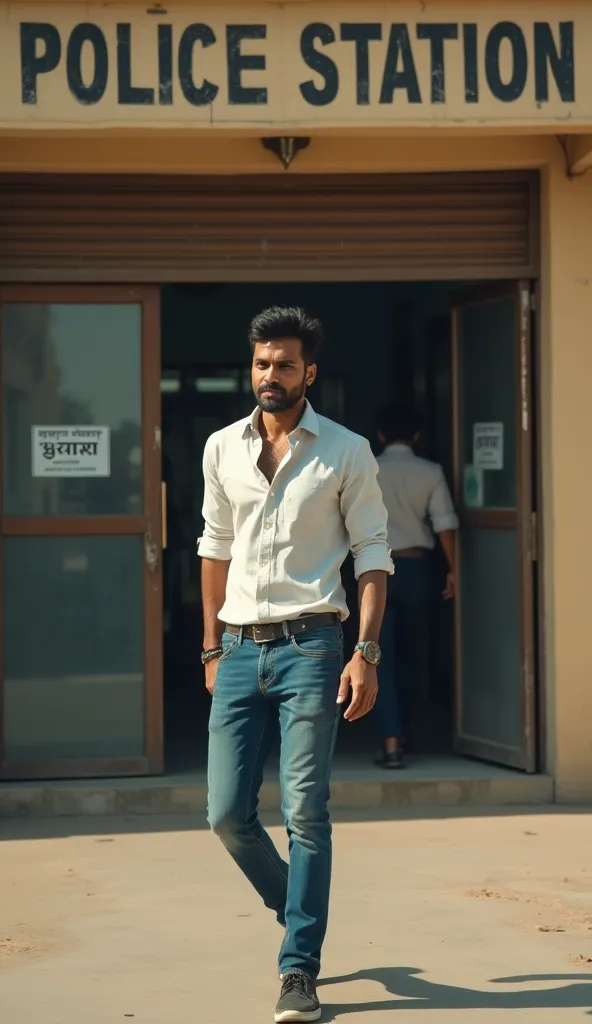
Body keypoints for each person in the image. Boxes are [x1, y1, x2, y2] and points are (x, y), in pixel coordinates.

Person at [198, 306, 392, 1023]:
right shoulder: (222, 448)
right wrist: (211, 647)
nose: (268, 376)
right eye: (260, 363)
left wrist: (365, 653)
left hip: (314, 644)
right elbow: (213, 547)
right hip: (241, 648)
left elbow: (373, 553)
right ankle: (300, 909)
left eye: (283, 364)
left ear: (308, 372)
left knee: (306, 809)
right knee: (225, 814)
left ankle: (298, 968)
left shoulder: (345, 450)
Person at [374, 404, 459, 770]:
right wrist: (454, 570)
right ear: (417, 436)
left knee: (379, 656)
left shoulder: (367, 468)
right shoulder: (430, 471)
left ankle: (391, 741)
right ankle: (407, 732)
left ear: (379, 436)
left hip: (374, 572)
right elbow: (444, 524)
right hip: (417, 570)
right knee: (412, 655)